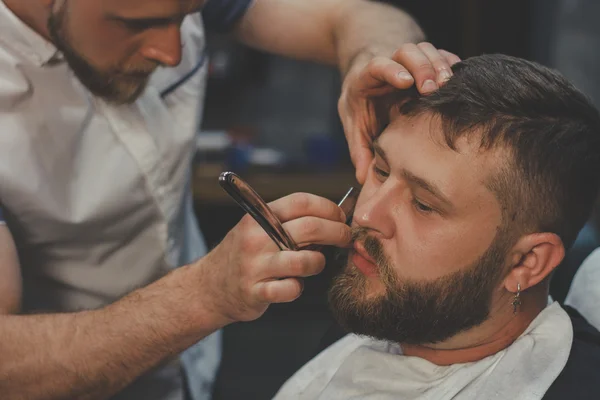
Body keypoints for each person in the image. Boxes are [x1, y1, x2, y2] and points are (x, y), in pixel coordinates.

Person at [0, 0, 460, 399]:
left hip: (194, 368)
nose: (172, 52)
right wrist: (202, 295)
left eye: (186, 15)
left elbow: (362, 15)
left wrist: (373, 61)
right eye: (132, 23)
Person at [274, 54, 600, 400]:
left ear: (526, 262)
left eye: (423, 205)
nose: (367, 215)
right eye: (381, 171)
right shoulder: (377, 323)